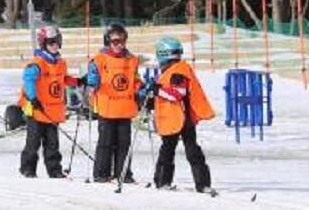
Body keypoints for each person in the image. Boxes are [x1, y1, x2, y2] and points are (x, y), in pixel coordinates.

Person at [149, 36, 215, 193]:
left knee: (186, 150)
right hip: (174, 117)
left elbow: (177, 94)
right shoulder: (170, 71)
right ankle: (163, 181)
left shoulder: (178, 71)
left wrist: (158, 90)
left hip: (182, 119)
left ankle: (199, 183)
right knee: (170, 149)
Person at [18, 25, 83, 178]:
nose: (55, 45)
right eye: (51, 42)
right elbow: (28, 80)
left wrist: (78, 81)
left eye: (57, 41)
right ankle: (28, 168)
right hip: (37, 109)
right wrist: (33, 98)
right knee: (33, 142)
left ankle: (54, 170)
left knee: (53, 143)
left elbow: (64, 79)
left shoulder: (60, 63)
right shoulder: (38, 63)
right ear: (43, 44)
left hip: (53, 112)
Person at [88, 23, 143, 183]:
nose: (119, 45)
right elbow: (93, 76)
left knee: (124, 143)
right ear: (108, 41)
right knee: (106, 142)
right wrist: (92, 84)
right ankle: (101, 173)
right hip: (107, 108)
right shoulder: (100, 59)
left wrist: (141, 89)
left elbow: (135, 79)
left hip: (125, 108)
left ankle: (123, 173)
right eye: (115, 41)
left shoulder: (131, 59)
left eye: (122, 41)